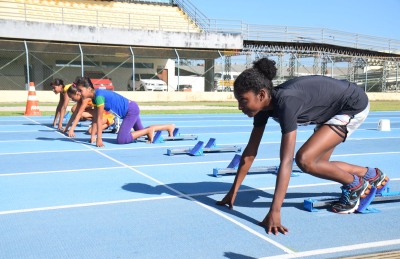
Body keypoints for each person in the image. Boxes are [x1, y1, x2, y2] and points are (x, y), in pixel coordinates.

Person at [216, 57, 389, 235]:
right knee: (318, 164)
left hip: (352, 104)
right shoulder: (262, 108)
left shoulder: (286, 103)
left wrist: (275, 211)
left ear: (261, 95)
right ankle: (371, 175)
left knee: (304, 160)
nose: (239, 107)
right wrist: (233, 191)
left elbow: (286, 162)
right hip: (331, 110)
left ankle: (355, 185)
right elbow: (250, 153)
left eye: (243, 100)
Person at [74, 76, 175, 147]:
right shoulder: (95, 97)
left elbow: (100, 119)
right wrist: (93, 137)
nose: (78, 93)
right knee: (141, 132)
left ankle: (149, 130)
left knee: (122, 140)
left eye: (80, 90)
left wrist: (99, 139)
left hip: (130, 111)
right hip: (131, 108)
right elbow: (96, 118)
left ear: (88, 89)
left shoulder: (99, 97)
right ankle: (169, 127)